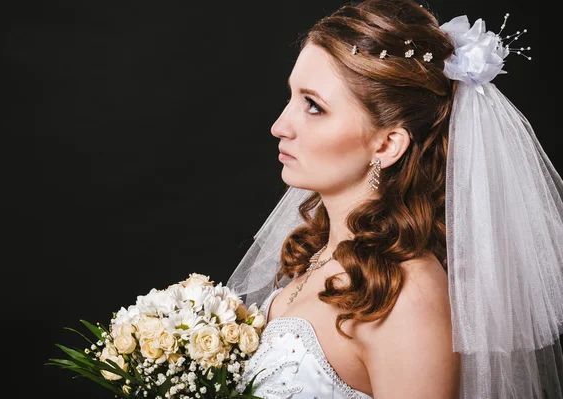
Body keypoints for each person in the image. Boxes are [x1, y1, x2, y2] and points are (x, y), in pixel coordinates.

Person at [228, 0, 563, 398]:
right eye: (292, 97)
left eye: (313, 106)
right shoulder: (318, 250)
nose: (279, 126)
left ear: (387, 144)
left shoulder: (407, 296)